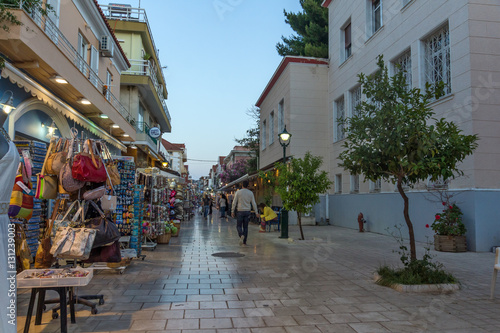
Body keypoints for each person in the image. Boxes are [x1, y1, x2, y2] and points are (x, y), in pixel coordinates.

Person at [231, 180, 259, 245]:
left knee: (238, 226)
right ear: (248, 185)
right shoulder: (250, 193)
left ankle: (241, 235)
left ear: (242, 185)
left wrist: (232, 211)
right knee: (246, 227)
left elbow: (234, 202)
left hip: (240, 211)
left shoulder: (238, 192)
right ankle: (244, 241)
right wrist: (256, 212)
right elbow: (254, 203)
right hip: (247, 211)